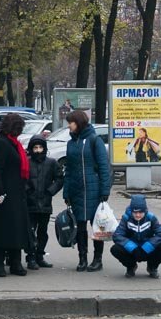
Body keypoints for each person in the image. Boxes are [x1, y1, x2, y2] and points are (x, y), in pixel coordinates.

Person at [63, 109, 111, 272]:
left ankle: (97, 259)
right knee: (80, 226)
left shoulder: (93, 140)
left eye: (71, 122)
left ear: (79, 123)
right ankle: (82, 258)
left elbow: (104, 166)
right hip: (77, 191)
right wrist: (66, 192)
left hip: (94, 190)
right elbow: (68, 169)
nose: (69, 125)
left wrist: (105, 189)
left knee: (97, 225)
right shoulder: (71, 143)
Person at [0, 112, 31, 277]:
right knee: (2, 230)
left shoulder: (14, 144)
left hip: (16, 193)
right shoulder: (2, 144)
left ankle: (15, 263)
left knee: (16, 229)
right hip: (4, 194)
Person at [110, 195, 161, 278]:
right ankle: (131, 266)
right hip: (133, 250)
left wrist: (148, 246)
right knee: (115, 249)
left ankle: (152, 267)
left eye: (140, 212)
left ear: (145, 211)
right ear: (131, 211)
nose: (138, 215)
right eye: (135, 212)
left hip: (148, 249)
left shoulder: (151, 218)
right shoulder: (126, 218)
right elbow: (117, 235)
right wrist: (132, 247)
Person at [25, 135, 61, 269]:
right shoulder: (27, 162)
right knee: (30, 231)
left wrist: (50, 191)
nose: (38, 150)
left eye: (40, 147)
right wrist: (28, 191)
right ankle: (31, 257)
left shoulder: (51, 163)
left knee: (43, 232)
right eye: (35, 148)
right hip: (30, 203)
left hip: (45, 202)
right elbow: (22, 178)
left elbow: (59, 179)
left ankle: (40, 255)